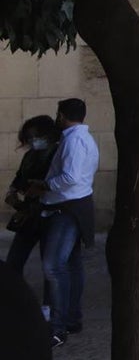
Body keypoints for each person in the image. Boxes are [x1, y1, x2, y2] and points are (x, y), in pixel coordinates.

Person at [23, 98, 99, 348]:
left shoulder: (75, 141)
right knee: (71, 265)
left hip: (66, 208)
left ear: (62, 116)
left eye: (59, 114)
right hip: (71, 206)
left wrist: (45, 186)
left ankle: (58, 327)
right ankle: (71, 319)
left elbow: (70, 177)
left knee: (54, 266)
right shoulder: (80, 138)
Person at [5, 116, 60, 278]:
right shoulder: (30, 155)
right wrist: (13, 192)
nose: (33, 141)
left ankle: (49, 298)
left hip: (49, 213)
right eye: (29, 137)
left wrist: (40, 188)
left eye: (35, 136)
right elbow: (20, 178)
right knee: (14, 262)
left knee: (49, 266)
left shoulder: (57, 154)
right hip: (29, 213)